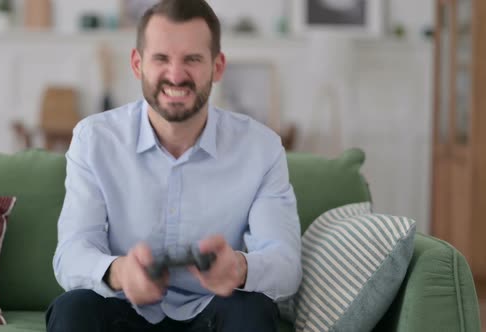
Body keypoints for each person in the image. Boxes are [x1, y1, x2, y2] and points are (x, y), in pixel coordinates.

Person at [45, 0, 302, 331]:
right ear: (138, 64)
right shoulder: (94, 140)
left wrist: (239, 267)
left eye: (192, 59)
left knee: (253, 310)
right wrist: (121, 272)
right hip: (125, 308)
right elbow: (71, 253)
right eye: (161, 58)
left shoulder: (262, 148)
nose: (176, 75)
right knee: (72, 308)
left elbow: (286, 265)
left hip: (213, 310)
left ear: (217, 66)